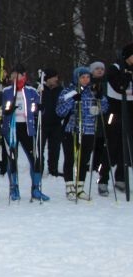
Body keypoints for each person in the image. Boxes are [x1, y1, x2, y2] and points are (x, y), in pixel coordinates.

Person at [56, 66, 109, 201]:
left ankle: (80, 187)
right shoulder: (68, 91)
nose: (85, 80)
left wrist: (99, 99)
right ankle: (69, 187)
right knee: (70, 158)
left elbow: (104, 108)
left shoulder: (93, 91)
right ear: (77, 78)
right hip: (72, 129)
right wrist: (73, 99)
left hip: (89, 130)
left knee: (84, 160)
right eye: (82, 77)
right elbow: (60, 111)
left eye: (87, 77)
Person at [1, 64, 48, 201]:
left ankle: (36, 188)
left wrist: (40, 108)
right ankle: (14, 187)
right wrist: (7, 111)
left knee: (35, 158)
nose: (16, 78)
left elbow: (38, 109)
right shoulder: (7, 91)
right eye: (13, 75)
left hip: (27, 129)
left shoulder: (32, 90)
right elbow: (3, 108)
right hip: (12, 128)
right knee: (12, 158)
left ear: (24, 75)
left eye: (19, 75)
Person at [105, 43, 133, 194]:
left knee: (127, 146)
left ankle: (121, 177)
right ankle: (103, 178)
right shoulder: (115, 68)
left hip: (130, 109)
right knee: (112, 144)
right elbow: (119, 86)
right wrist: (127, 76)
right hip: (115, 110)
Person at [89, 61, 111, 196]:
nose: (99, 71)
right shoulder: (88, 82)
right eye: (96, 69)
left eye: (101, 69)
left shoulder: (107, 83)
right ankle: (91, 165)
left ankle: (99, 167)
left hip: (104, 116)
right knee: (92, 142)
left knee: (102, 143)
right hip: (91, 117)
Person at [40, 68, 63, 177]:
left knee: (55, 148)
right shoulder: (40, 89)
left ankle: (53, 169)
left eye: (57, 77)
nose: (56, 79)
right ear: (48, 78)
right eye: (54, 77)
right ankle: (39, 168)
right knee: (40, 147)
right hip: (42, 123)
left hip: (56, 123)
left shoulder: (60, 90)